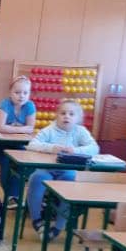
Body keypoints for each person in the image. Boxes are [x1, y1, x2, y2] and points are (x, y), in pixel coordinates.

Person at [25, 100, 98, 240]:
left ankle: (58, 227)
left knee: (70, 184)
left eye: (71, 114)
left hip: (67, 171)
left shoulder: (80, 131)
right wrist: (52, 148)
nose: (66, 116)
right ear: (56, 115)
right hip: (46, 169)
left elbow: (94, 148)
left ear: (78, 118)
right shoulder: (49, 130)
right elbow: (32, 144)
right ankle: (36, 220)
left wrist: (75, 150)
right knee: (37, 178)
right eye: (63, 113)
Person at [0, 75, 36, 208]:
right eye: (17, 92)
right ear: (10, 92)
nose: (21, 96)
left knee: (22, 162)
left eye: (25, 93)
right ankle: (11, 196)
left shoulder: (30, 106)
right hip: (0, 146)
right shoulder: (5, 104)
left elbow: (30, 128)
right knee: (7, 160)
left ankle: (18, 196)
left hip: (19, 146)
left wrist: (10, 128)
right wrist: (21, 129)